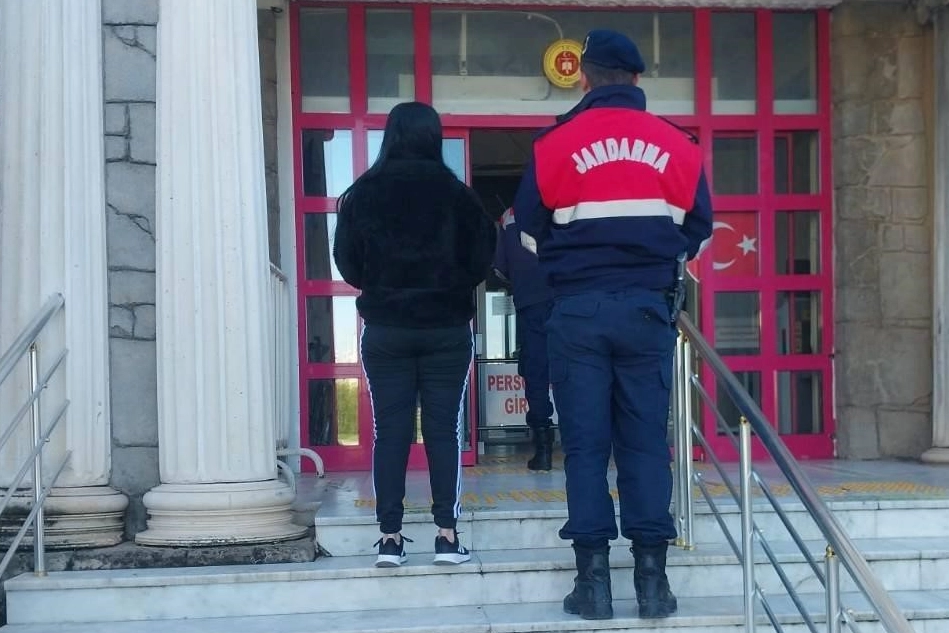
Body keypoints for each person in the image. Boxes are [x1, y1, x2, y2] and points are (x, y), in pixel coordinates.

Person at [513, 30, 713, 620]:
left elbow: (528, 228)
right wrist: (652, 260)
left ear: (584, 76)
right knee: (645, 444)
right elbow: (698, 228)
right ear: (637, 79)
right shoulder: (678, 145)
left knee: (585, 446)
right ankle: (653, 586)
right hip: (647, 310)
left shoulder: (554, 144)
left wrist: (570, 263)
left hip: (577, 309)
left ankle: (593, 585)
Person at [333, 101, 496, 568]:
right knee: (444, 430)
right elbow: (482, 260)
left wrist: (384, 282)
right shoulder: (460, 196)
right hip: (447, 328)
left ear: (390, 137)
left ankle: (390, 539)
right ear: (434, 137)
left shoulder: (362, 195)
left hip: (386, 328)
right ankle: (446, 536)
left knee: (391, 433)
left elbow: (348, 264)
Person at [492, 207, 555, 471]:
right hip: (567, 300)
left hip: (530, 304)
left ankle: (543, 451)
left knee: (536, 373)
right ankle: (581, 445)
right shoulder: (564, 203)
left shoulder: (508, 218)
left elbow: (500, 269)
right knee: (576, 370)